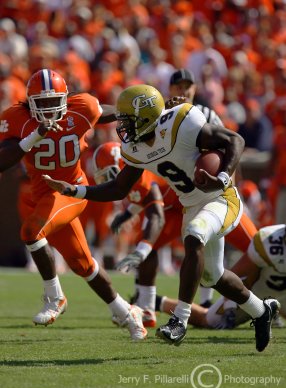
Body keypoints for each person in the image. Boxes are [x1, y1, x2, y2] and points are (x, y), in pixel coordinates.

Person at [44, 84, 280, 352]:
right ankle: (261, 311)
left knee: (194, 234)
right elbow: (118, 188)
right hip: (192, 205)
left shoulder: (183, 122)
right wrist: (75, 190)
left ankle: (179, 320)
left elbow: (234, 140)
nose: (122, 126)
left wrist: (222, 178)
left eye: (127, 119)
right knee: (213, 276)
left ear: (145, 116)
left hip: (221, 198)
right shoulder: (136, 148)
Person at [0, 68, 146, 340]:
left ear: (66, 99)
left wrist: (136, 110)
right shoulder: (16, 119)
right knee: (84, 265)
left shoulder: (82, 108)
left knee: (31, 232)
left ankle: (54, 297)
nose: (48, 108)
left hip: (71, 192)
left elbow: (102, 111)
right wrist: (35, 136)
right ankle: (126, 312)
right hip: (43, 196)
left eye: (53, 101)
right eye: (41, 103)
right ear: (29, 102)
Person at [93, 141, 258, 328]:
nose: (108, 181)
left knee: (258, 246)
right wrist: (127, 215)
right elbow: (148, 198)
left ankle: (266, 297)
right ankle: (147, 308)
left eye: (110, 175)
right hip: (176, 209)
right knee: (153, 246)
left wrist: (142, 248)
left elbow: (155, 213)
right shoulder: (135, 171)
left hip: (210, 201)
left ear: (122, 166)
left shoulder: (141, 168)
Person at [168, 68, 257, 308]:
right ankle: (206, 304)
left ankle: (255, 300)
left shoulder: (206, 114)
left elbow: (230, 148)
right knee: (196, 249)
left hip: (217, 192)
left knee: (255, 246)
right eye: (178, 86)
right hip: (186, 194)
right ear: (170, 90)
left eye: (188, 86)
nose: (184, 91)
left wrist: (227, 182)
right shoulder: (164, 116)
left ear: (195, 88)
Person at [157, 224, 286, 329]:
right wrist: (231, 304)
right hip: (259, 292)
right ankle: (157, 302)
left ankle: (274, 313)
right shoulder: (268, 241)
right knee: (208, 320)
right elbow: (237, 278)